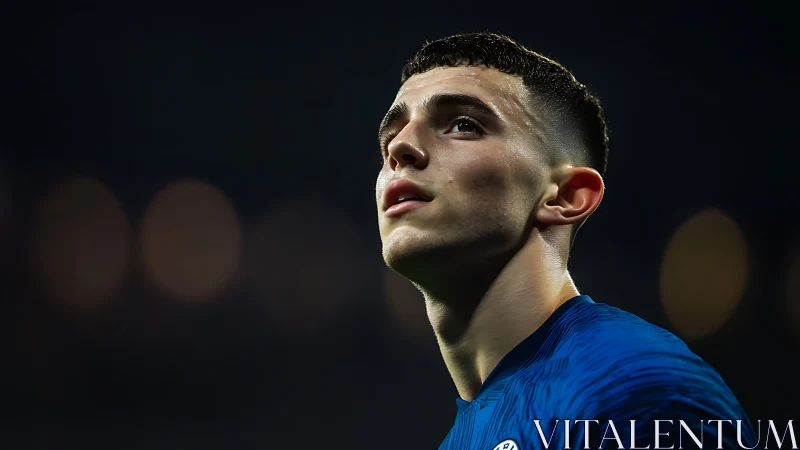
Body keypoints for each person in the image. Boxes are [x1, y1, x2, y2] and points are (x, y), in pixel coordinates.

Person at [375, 32, 756, 450]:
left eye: (464, 125)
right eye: (391, 135)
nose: (401, 147)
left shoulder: (634, 385)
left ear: (565, 196)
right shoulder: (466, 435)